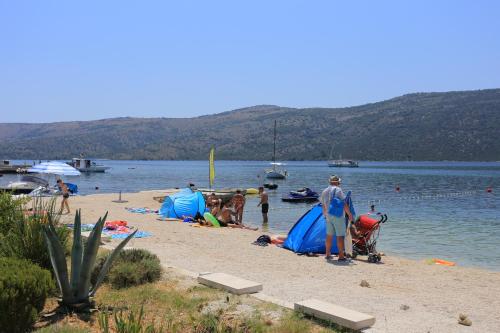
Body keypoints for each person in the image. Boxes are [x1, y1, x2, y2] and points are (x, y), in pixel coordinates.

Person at [321, 175, 353, 262]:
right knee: (340, 236)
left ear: (330, 182)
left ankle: (327, 254)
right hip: (338, 216)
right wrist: (349, 214)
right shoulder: (338, 190)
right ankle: (341, 256)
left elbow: (323, 205)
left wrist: (325, 215)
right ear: (338, 182)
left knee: (329, 236)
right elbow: (343, 204)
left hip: (328, 215)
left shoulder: (324, 191)